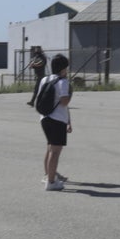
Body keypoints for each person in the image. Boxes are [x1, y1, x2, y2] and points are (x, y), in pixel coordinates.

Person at [40, 54, 72, 191]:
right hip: (57, 119)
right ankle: (51, 182)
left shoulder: (45, 79)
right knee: (55, 151)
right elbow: (64, 102)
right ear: (63, 68)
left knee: (50, 148)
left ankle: (48, 175)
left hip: (44, 117)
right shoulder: (63, 82)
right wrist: (70, 93)